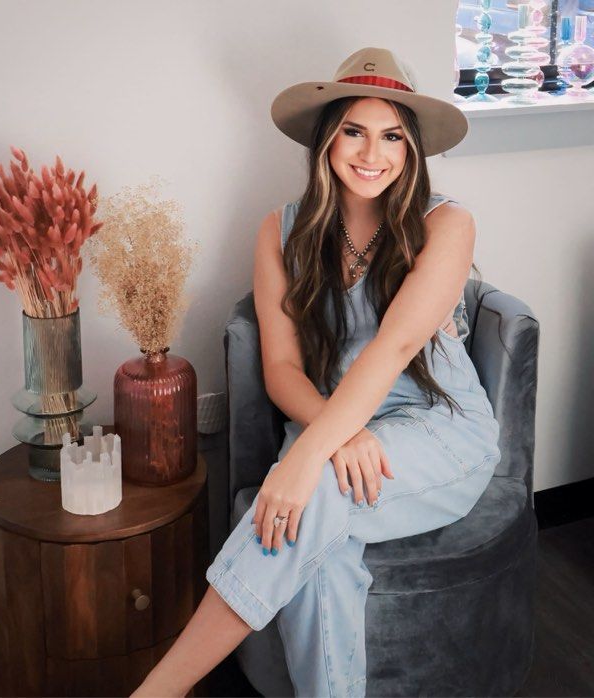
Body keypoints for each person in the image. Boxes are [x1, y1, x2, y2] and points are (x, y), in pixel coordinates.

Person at [131, 46, 501, 698]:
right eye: (354, 130)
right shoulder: (280, 231)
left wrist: (304, 461)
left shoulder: (448, 224)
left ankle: (158, 691)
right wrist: (334, 434)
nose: (371, 152)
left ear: (412, 149)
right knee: (320, 559)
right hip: (331, 420)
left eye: (392, 136)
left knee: (309, 495)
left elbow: (392, 348)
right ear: (327, 138)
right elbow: (280, 367)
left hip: (438, 428)